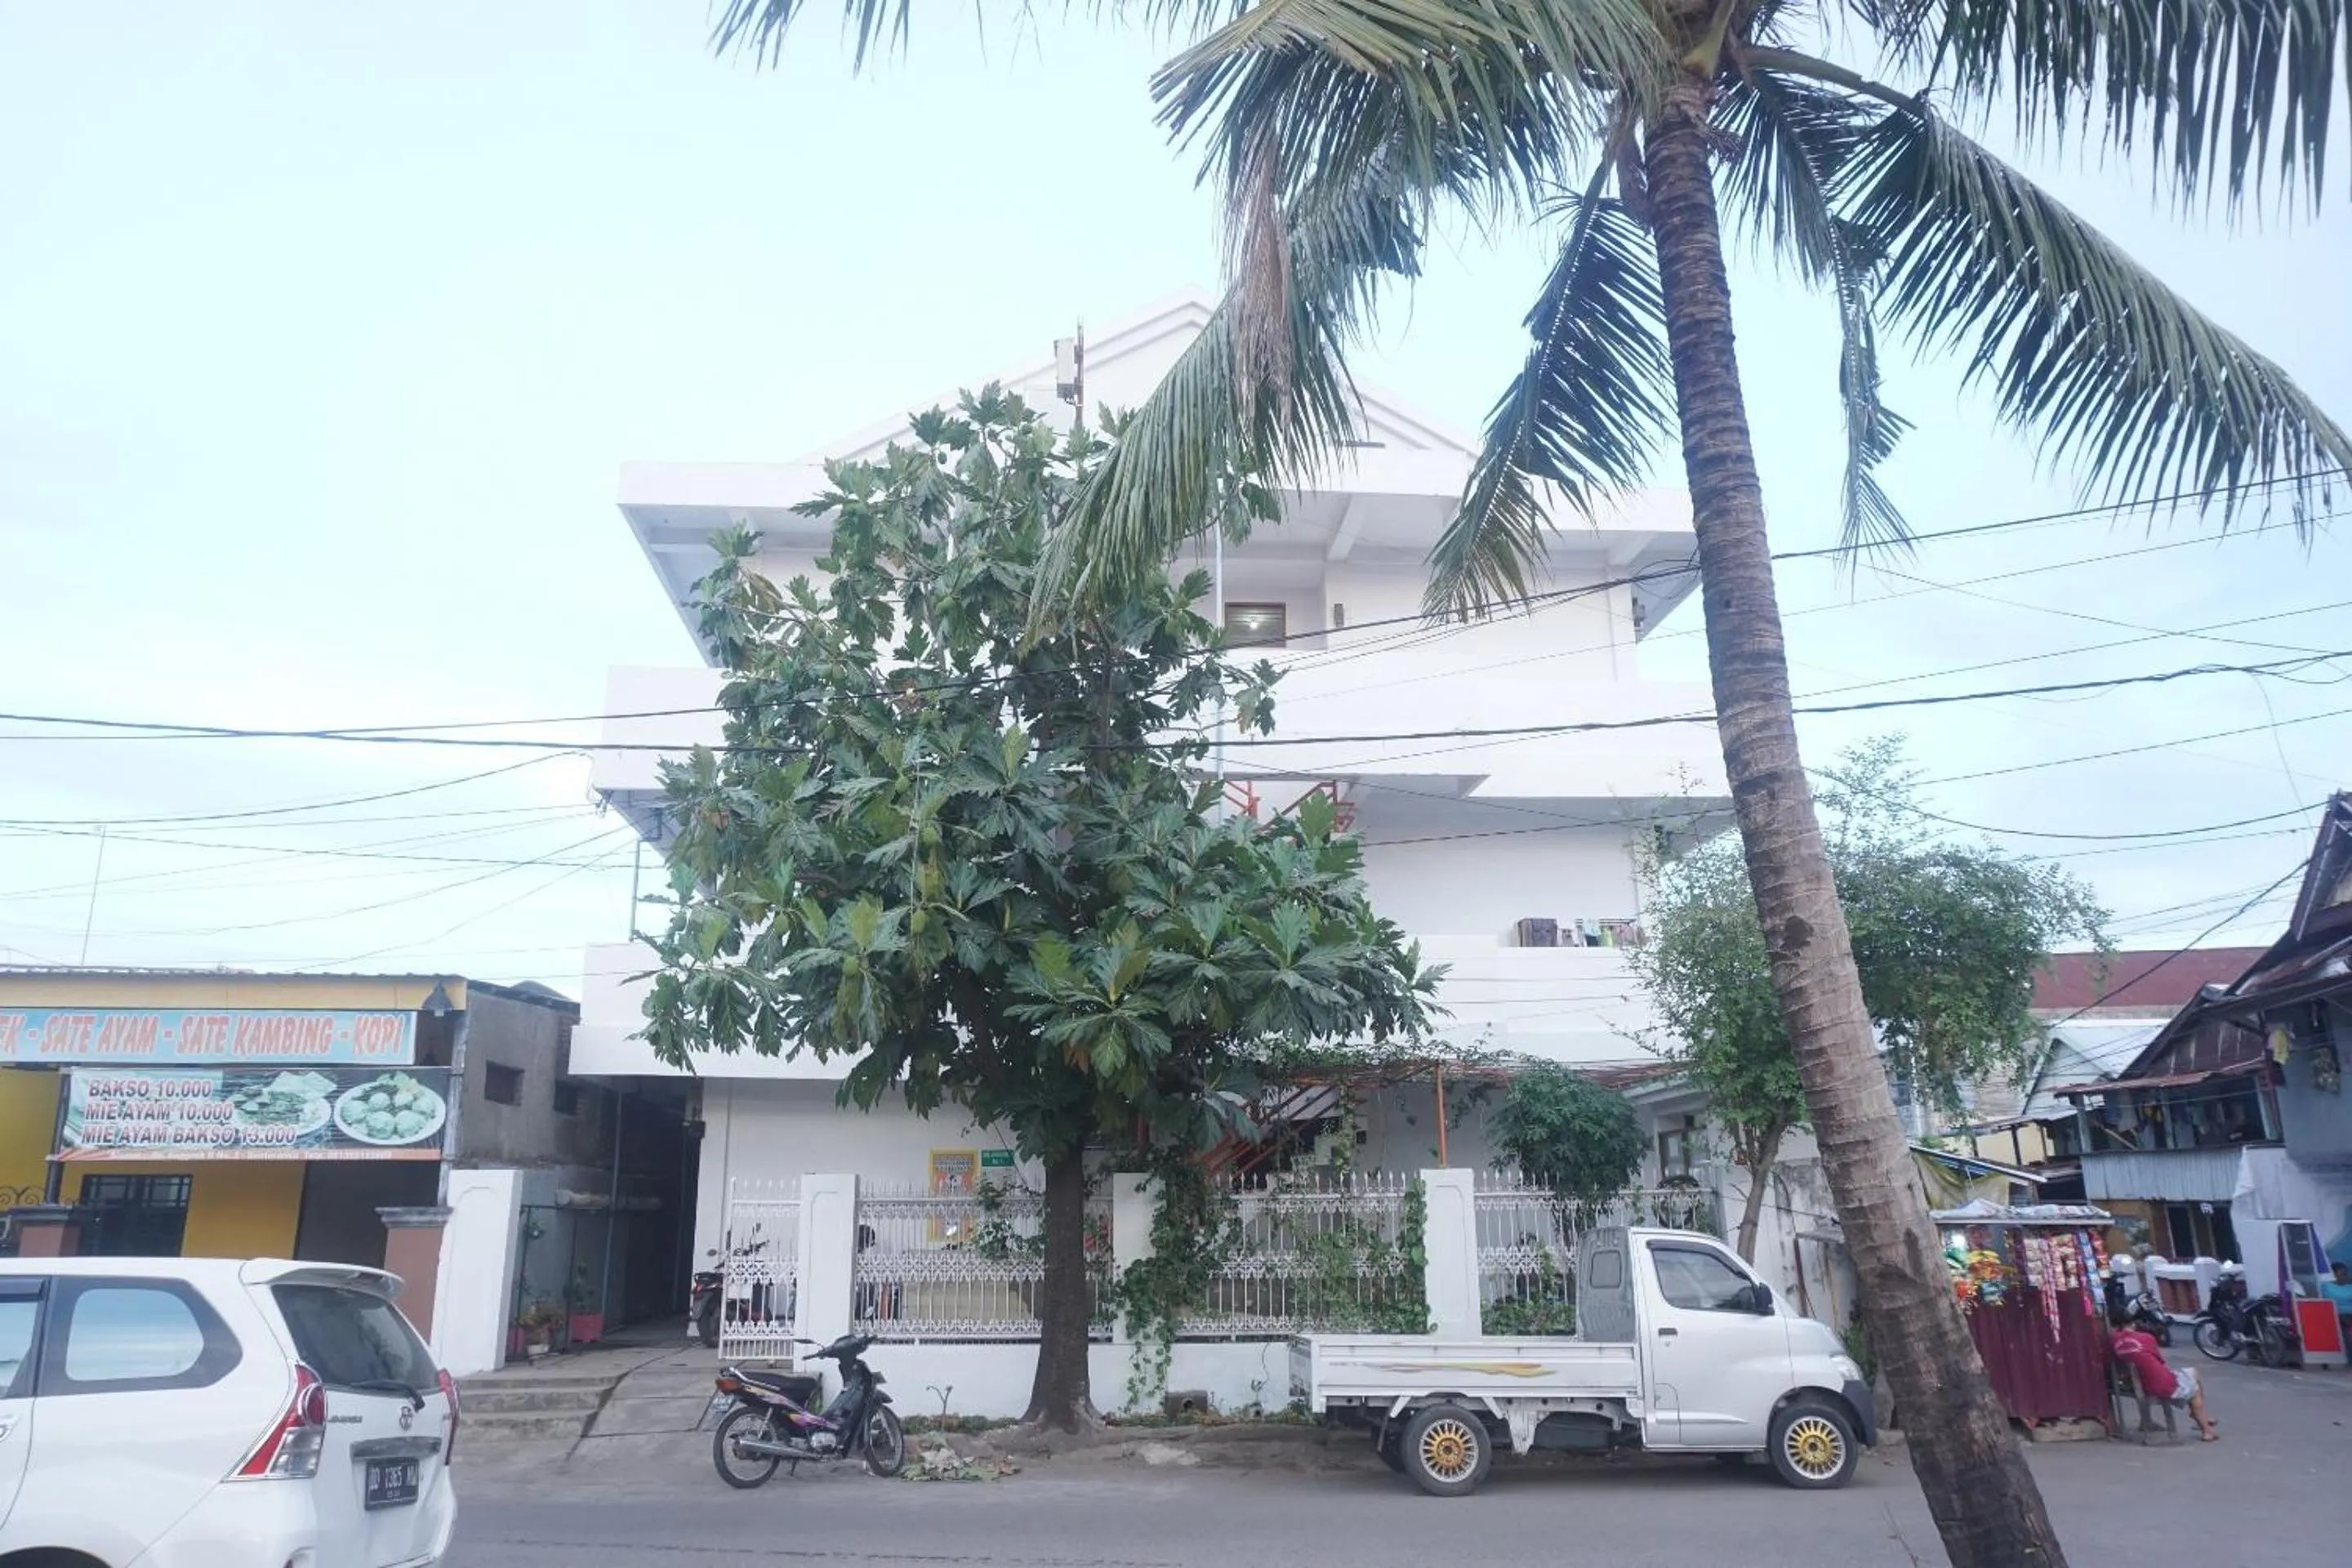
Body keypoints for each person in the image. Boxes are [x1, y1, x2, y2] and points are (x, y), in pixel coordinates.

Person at [2111, 1307, 2218, 1441]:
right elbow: (2160, 1361)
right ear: (2133, 1322)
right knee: (2195, 1386)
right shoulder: (2146, 1338)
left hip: (2135, 1386)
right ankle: (2206, 1429)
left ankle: (2197, 1414)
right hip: (2160, 1384)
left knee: (2192, 1372)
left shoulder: (2113, 1341)